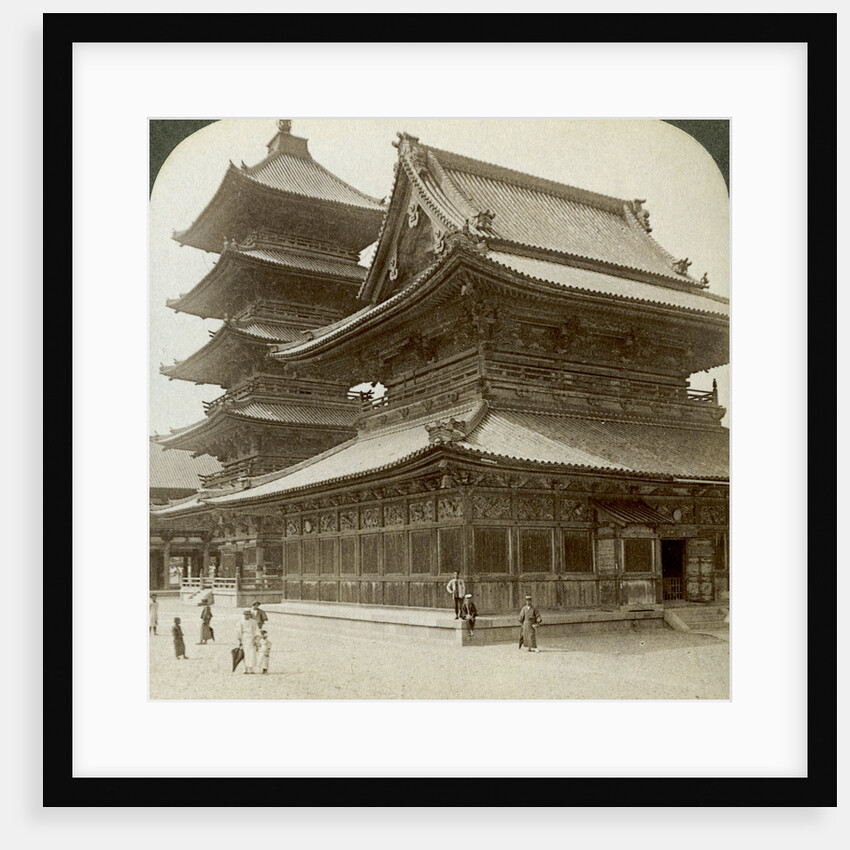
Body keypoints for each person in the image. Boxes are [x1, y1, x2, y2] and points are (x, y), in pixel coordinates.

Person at [235, 609, 259, 674]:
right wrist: (240, 640)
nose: (247, 616)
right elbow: (238, 632)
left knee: (251, 654)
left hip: (251, 638)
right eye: (245, 614)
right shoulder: (240, 622)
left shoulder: (253, 622)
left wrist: (255, 639)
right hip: (244, 638)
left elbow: (256, 630)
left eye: (248, 614)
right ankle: (244, 668)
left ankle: (250, 668)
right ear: (243, 615)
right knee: (244, 653)